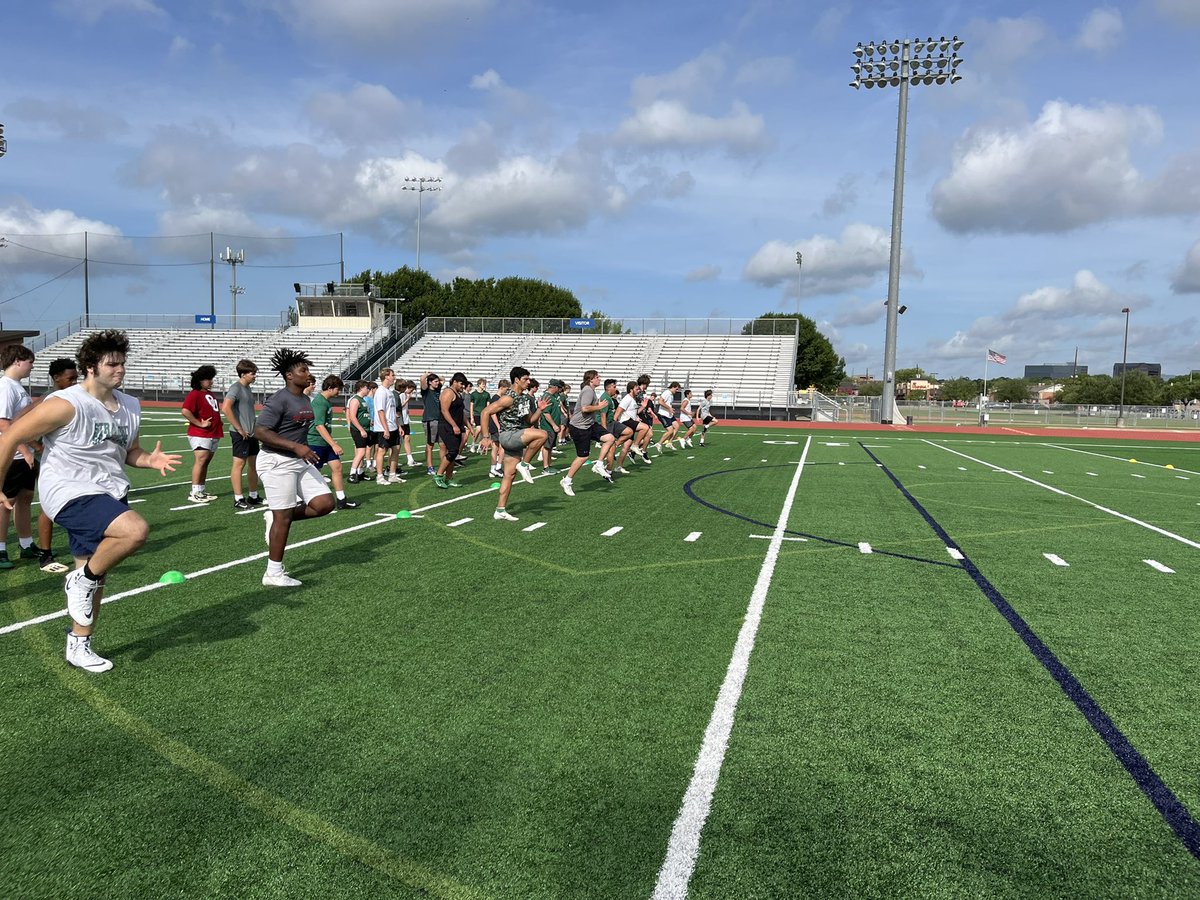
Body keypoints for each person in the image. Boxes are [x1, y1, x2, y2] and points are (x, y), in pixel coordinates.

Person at [0, 330, 181, 672]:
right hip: (69, 490)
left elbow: (131, 451)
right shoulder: (66, 404)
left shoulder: (130, 405)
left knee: (95, 577)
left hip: (110, 489)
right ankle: (80, 579)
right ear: (90, 367)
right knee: (134, 531)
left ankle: (79, 644)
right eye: (112, 364)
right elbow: (9, 437)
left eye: (123, 363)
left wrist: (149, 460)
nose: (120, 370)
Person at [254, 348, 336, 587]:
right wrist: (296, 447)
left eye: (308, 369)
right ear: (289, 376)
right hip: (277, 462)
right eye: (303, 370)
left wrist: (302, 450)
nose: (308, 374)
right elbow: (259, 431)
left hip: (299, 460)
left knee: (324, 504)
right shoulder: (279, 399)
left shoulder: (304, 398)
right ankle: (273, 573)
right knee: (284, 519)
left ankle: (275, 515)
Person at [479, 367, 549, 521]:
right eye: (525, 379)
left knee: (509, 476)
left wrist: (539, 409)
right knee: (543, 434)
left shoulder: (523, 398)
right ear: (516, 380)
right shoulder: (507, 398)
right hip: (508, 436)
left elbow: (530, 421)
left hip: (517, 436)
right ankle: (524, 464)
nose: (528, 382)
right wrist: (485, 437)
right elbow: (485, 412)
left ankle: (500, 510)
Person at [35, 358, 80, 572]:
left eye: (76, 378)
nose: (74, 382)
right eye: (70, 378)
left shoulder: (77, 397)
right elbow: (20, 428)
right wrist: (39, 448)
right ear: (56, 378)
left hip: (76, 465)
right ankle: (45, 554)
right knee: (48, 508)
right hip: (55, 467)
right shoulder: (50, 400)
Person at [0, 345, 37, 569]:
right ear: (17, 361)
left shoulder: (16, 387)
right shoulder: (5, 386)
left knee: (25, 497)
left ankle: (26, 544)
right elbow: (4, 423)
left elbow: (21, 424)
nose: (32, 365)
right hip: (11, 456)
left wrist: (34, 446)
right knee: (6, 503)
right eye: (29, 361)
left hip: (22, 455)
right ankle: (1, 549)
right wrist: (24, 450)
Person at [308, 374, 360, 510]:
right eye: (338, 389)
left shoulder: (326, 401)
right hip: (315, 442)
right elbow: (319, 425)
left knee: (337, 468)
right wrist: (333, 444)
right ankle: (305, 499)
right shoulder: (319, 402)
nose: (339, 392)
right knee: (313, 472)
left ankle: (341, 500)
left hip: (324, 442)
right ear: (330, 388)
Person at [560, 370, 615, 497]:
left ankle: (599, 464)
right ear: (590, 380)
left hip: (589, 425)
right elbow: (585, 408)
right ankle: (567, 481)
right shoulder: (588, 390)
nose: (599, 379)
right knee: (583, 457)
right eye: (597, 377)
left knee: (610, 438)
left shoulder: (591, 390)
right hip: (579, 427)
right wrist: (599, 407)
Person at [220, 359, 264, 511]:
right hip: (241, 434)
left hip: (251, 433)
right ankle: (238, 498)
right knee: (239, 465)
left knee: (254, 465)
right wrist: (239, 428)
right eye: (252, 374)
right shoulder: (236, 388)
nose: (255, 376)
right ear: (243, 374)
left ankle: (253, 495)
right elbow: (225, 408)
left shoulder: (247, 388)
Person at [181, 364, 223, 502]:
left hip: (213, 432)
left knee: (205, 462)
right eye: (207, 379)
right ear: (200, 380)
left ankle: (201, 489)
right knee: (201, 461)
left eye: (211, 378)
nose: (211, 381)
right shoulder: (195, 394)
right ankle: (194, 492)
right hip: (200, 433)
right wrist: (199, 423)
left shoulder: (208, 394)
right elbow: (185, 411)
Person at [434, 372, 469, 488]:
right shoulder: (448, 392)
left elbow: (461, 413)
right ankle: (439, 475)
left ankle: (448, 479)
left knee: (454, 454)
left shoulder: (458, 394)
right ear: (454, 382)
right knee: (453, 451)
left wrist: (469, 426)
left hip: (456, 426)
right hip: (446, 426)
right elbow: (444, 410)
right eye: (461, 384)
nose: (463, 386)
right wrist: (454, 425)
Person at [372, 368, 403, 484]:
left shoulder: (389, 391)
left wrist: (398, 426)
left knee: (396, 449)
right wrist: (385, 429)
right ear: (386, 377)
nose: (394, 377)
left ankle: (392, 475)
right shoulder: (381, 392)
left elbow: (393, 411)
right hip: (384, 427)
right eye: (392, 375)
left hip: (393, 426)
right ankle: (380, 477)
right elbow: (380, 411)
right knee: (382, 451)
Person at [345, 380, 372, 483]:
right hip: (358, 430)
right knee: (361, 452)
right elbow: (352, 416)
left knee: (363, 452)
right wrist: (361, 429)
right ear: (361, 388)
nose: (368, 389)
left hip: (365, 429)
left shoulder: (362, 399)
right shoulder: (355, 400)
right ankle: (352, 473)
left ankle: (360, 472)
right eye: (366, 387)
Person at [537, 378, 565, 474]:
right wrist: (553, 425)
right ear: (555, 387)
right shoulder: (547, 397)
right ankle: (545, 467)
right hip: (548, 427)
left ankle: (549, 465)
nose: (560, 390)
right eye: (559, 387)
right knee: (547, 447)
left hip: (553, 426)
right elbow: (546, 413)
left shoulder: (554, 396)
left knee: (550, 447)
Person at [419, 371, 443, 475]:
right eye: (435, 381)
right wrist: (428, 374)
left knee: (442, 445)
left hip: (439, 420)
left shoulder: (438, 389)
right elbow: (422, 379)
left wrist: (435, 376)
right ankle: (430, 467)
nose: (437, 383)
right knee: (430, 444)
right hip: (430, 420)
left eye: (438, 381)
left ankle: (443, 467)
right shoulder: (426, 391)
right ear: (430, 382)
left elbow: (443, 378)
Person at [487, 379, 510, 479]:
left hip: (495, 425)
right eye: (506, 389)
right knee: (502, 447)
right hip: (496, 426)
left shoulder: (498, 397)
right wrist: (498, 426)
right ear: (501, 387)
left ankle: (493, 469)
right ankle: (498, 467)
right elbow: (492, 413)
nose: (507, 391)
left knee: (496, 447)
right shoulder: (496, 398)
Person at [469, 378, 491, 454]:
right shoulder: (473, 394)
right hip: (477, 414)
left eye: (485, 384)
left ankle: (480, 446)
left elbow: (488, 405)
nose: (484, 385)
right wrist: (471, 417)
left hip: (484, 414)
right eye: (483, 384)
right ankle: (473, 444)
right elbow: (471, 406)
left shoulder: (487, 394)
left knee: (484, 431)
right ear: (479, 384)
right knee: (478, 428)